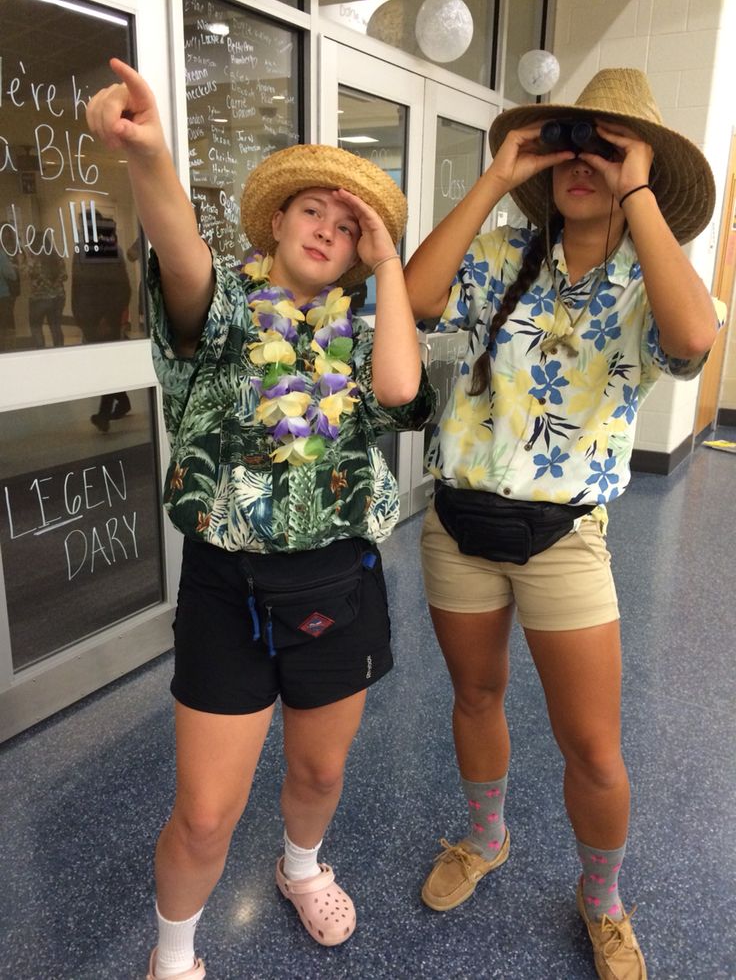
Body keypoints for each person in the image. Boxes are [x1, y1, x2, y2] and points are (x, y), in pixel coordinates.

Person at [86, 59, 435, 980]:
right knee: (204, 813)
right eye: (312, 210)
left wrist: (392, 261)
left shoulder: (367, 333)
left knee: (320, 774)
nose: (328, 228)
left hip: (340, 585)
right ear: (276, 221)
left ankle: (300, 866)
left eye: (349, 224)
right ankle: (174, 956)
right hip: (227, 588)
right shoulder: (230, 311)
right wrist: (148, 156)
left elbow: (402, 391)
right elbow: (179, 250)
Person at [404, 67, 719, 980]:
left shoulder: (642, 275)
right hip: (459, 522)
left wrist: (639, 191)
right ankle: (487, 836)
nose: (582, 158)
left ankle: (602, 900)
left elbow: (693, 339)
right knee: (475, 697)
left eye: (607, 145)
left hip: (564, 538)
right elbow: (417, 300)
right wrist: (497, 178)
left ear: (642, 165)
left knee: (593, 745)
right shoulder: (504, 251)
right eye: (568, 142)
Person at [28, 251, 67, 348]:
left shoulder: (35, 258)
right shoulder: (57, 257)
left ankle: (40, 351)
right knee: (56, 327)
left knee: (36, 326)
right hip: (58, 297)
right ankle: (60, 351)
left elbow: (29, 273)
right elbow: (64, 276)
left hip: (39, 297)